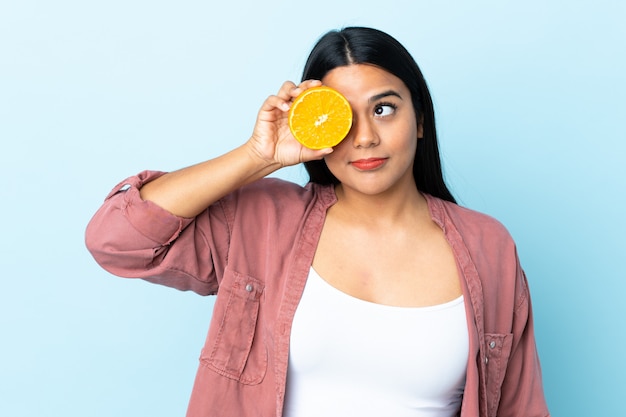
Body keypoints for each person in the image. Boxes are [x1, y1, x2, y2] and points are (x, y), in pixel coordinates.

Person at [85, 27, 550, 417]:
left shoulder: (489, 246)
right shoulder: (265, 221)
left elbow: (520, 405)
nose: (365, 137)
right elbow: (116, 239)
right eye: (342, 115)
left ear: (421, 120)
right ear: (317, 125)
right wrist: (256, 157)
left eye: (384, 109)